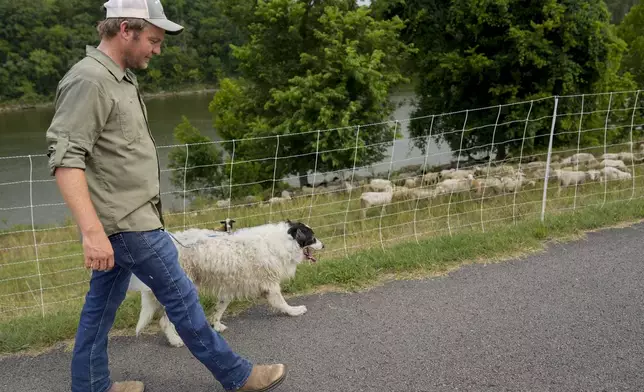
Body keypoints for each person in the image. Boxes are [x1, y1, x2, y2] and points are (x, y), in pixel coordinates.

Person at [45, 1, 287, 391]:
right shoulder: (88, 81)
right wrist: (91, 233)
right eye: (153, 40)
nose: (157, 49)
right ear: (125, 29)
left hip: (127, 221)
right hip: (127, 224)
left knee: (100, 309)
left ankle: (91, 387)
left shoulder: (118, 77)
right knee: (183, 298)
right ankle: (239, 376)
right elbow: (66, 161)